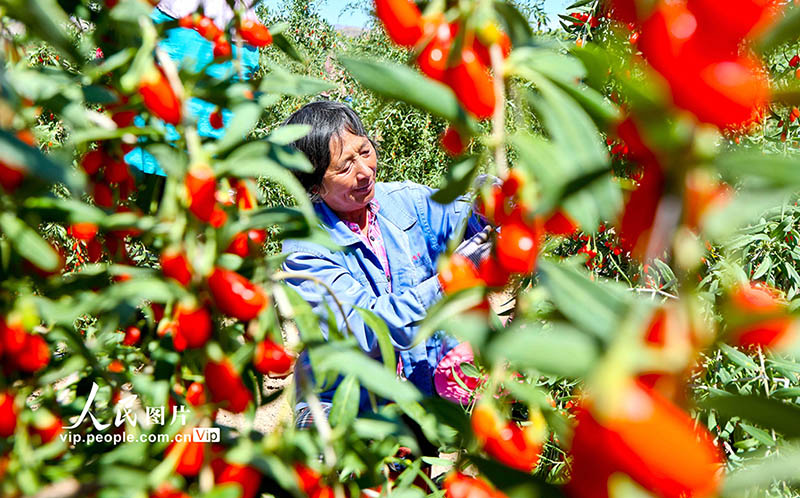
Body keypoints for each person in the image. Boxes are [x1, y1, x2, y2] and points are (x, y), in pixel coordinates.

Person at [280, 101, 489, 428]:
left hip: (415, 393)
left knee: (418, 475)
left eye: (364, 152)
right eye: (345, 166)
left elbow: (461, 214)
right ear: (315, 188)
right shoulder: (304, 249)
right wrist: (449, 281)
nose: (364, 171)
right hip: (346, 406)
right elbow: (364, 329)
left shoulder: (404, 201)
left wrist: (494, 197)